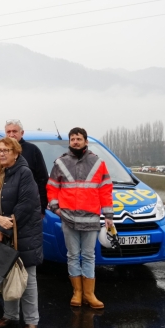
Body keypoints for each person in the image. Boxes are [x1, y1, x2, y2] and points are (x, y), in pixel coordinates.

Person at [0, 137, 43, 328]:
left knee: (28, 279)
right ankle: (10, 315)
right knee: (6, 275)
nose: (2, 153)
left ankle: (32, 320)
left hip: (23, 234)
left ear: (16, 153)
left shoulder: (25, 173)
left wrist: (3, 230)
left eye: (6, 150)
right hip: (2, 229)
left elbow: (25, 206)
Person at [47, 127, 114, 309]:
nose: (75, 141)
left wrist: (108, 215)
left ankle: (89, 294)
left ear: (85, 141)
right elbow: (52, 187)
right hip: (68, 218)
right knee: (73, 255)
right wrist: (56, 208)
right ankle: (77, 293)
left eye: (78, 138)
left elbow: (106, 190)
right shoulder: (60, 163)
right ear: (69, 142)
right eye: (72, 139)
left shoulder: (98, 162)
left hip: (91, 218)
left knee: (88, 255)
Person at [4, 120, 49, 215]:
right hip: (6, 206)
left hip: (30, 206)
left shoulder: (33, 150)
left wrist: (42, 207)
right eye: (8, 132)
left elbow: (43, 179)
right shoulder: (1, 151)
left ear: (22, 133)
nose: (11, 135)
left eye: (14, 131)